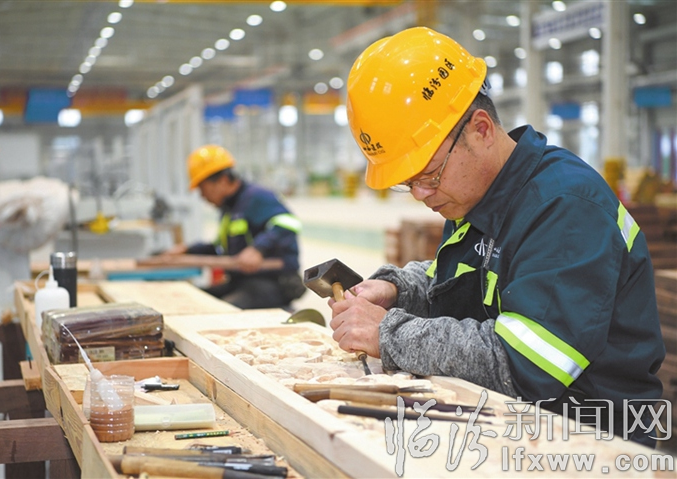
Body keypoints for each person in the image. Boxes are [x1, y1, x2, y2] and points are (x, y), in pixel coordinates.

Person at [330, 27, 664, 446]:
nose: (420, 194)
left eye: (428, 175)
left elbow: (525, 365)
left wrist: (389, 334)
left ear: (482, 130)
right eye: (408, 182)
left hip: (590, 441)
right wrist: (398, 292)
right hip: (515, 425)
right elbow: (462, 284)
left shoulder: (566, 207)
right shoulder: (476, 197)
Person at [162, 144, 305, 309]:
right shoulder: (230, 209)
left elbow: (288, 222)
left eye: (203, 188)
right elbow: (220, 249)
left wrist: (258, 249)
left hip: (270, 284)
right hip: (242, 282)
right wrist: (187, 250)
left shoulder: (257, 197)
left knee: (218, 311)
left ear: (223, 180)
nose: (202, 196)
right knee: (193, 299)